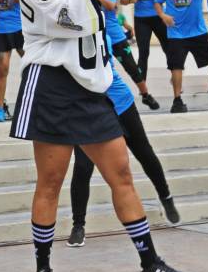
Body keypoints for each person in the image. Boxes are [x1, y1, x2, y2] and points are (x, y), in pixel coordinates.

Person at [10, 0, 192, 272]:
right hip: (52, 85)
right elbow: (71, 21)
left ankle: (149, 262)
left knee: (121, 173)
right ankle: (43, 268)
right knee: (51, 181)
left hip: (92, 88)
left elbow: (100, 23)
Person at [68, 48, 179, 247]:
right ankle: (78, 225)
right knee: (83, 166)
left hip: (120, 103)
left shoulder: (100, 34)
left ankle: (166, 195)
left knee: (143, 152)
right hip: (87, 110)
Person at [88, 0, 159, 109]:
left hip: (116, 38)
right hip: (97, 40)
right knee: (101, 70)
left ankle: (146, 95)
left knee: (132, 67)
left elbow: (110, 6)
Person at [121, 0, 169, 108]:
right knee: (143, 52)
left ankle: (175, 78)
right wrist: (130, 0)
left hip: (157, 16)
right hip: (141, 19)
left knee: (168, 48)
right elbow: (122, 0)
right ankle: (144, 90)